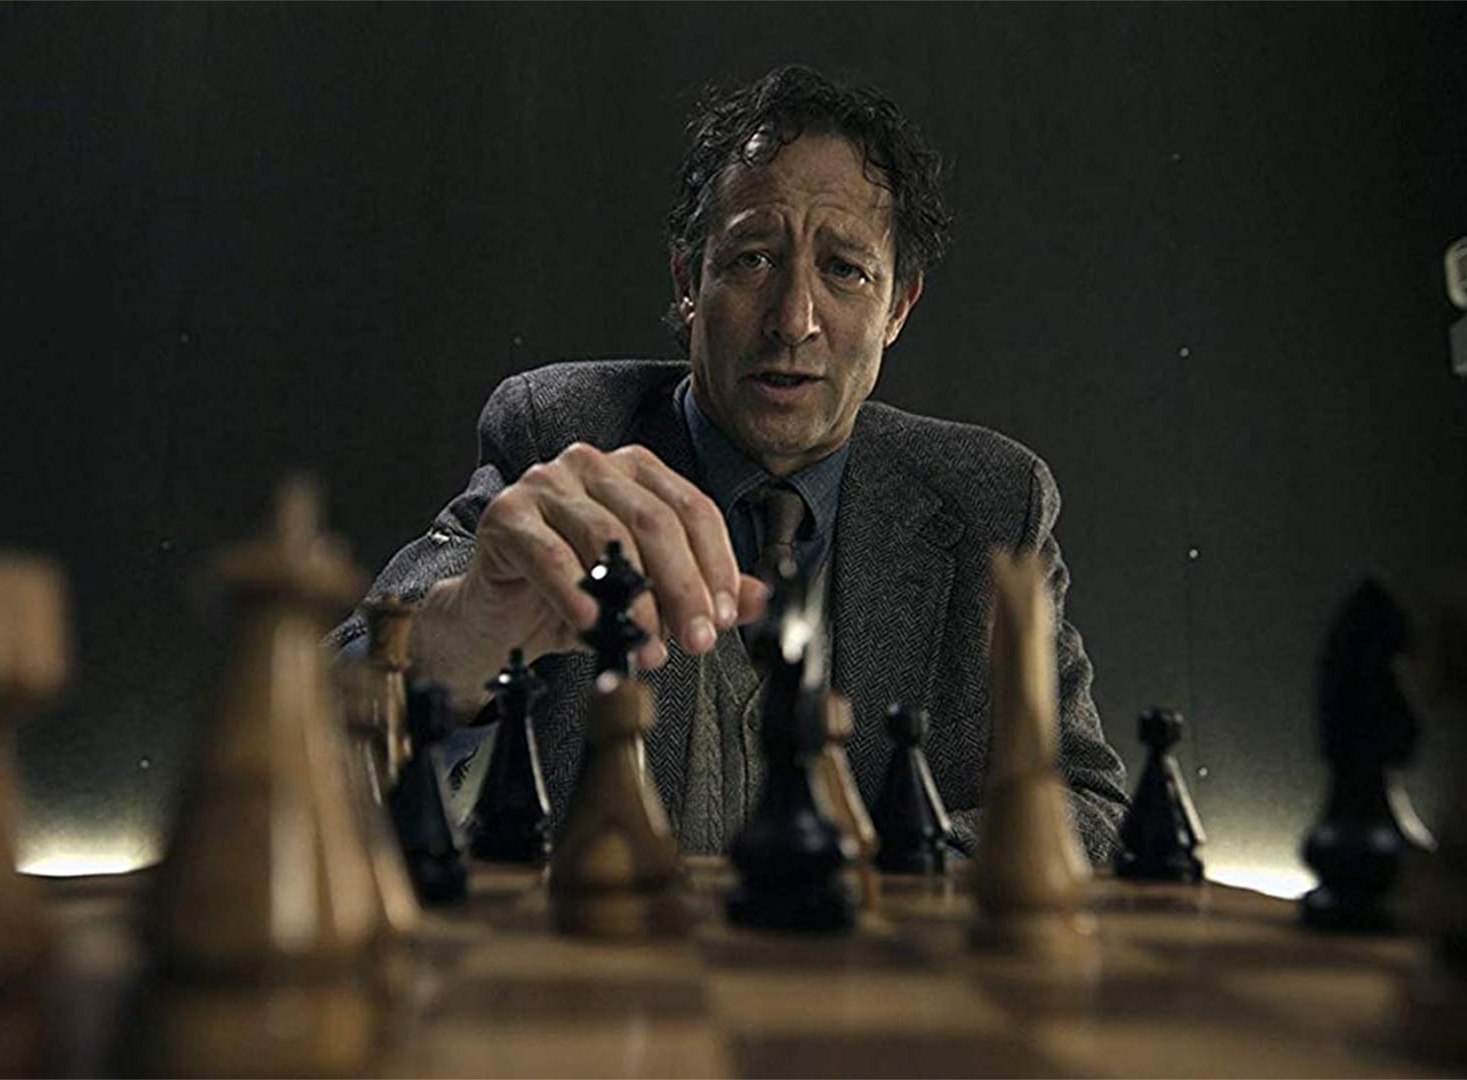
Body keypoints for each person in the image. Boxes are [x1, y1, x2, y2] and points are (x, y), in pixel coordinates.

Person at [334, 65, 1129, 862]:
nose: (793, 319)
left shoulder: (993, 503)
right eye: (752, 259)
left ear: (898, 308)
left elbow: (1091, 806)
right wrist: (465, 633)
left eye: (845, 270)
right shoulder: (563, 432)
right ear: (689, 282)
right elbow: (322, 709)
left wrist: (904, 874)